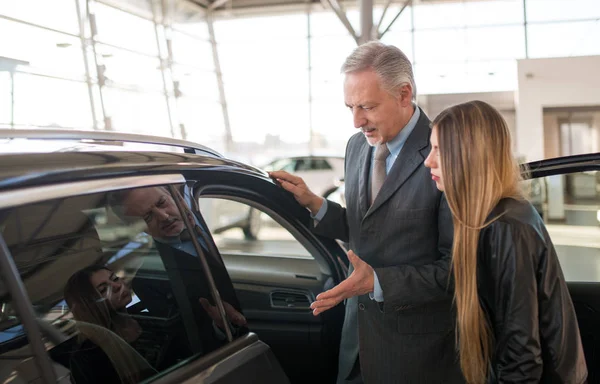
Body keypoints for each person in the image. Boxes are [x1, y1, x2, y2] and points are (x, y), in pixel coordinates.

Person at [270, 41, 463, 383]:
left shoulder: (445, 153)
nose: (357, 120)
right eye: (350, 107)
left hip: (415, 354)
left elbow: (456, 270)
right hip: (357, 339)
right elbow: (364, 227)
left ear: (405, 94)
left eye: (367, 107)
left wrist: (377, 282)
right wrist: (314, 202)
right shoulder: (357, 146)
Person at [424, 100, 588, 383]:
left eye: (439, 149)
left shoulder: (504, 227)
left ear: (468, 155)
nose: (428, 160)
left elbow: (521, 356)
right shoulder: (499, 215)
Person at [107, 186, 247, 353]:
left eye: (161, 202)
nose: (164, 216)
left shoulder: (216, 218)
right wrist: (220, 326)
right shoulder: (148, 281)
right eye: (148, 217)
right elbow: (186, 341)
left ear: (176, 195)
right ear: (137, 228)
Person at [64, 265, 162, 384]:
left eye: (115, 279)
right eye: (103, 290)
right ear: (88, 306)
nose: (117, 286)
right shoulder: (88, 358)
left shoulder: (152, 320)